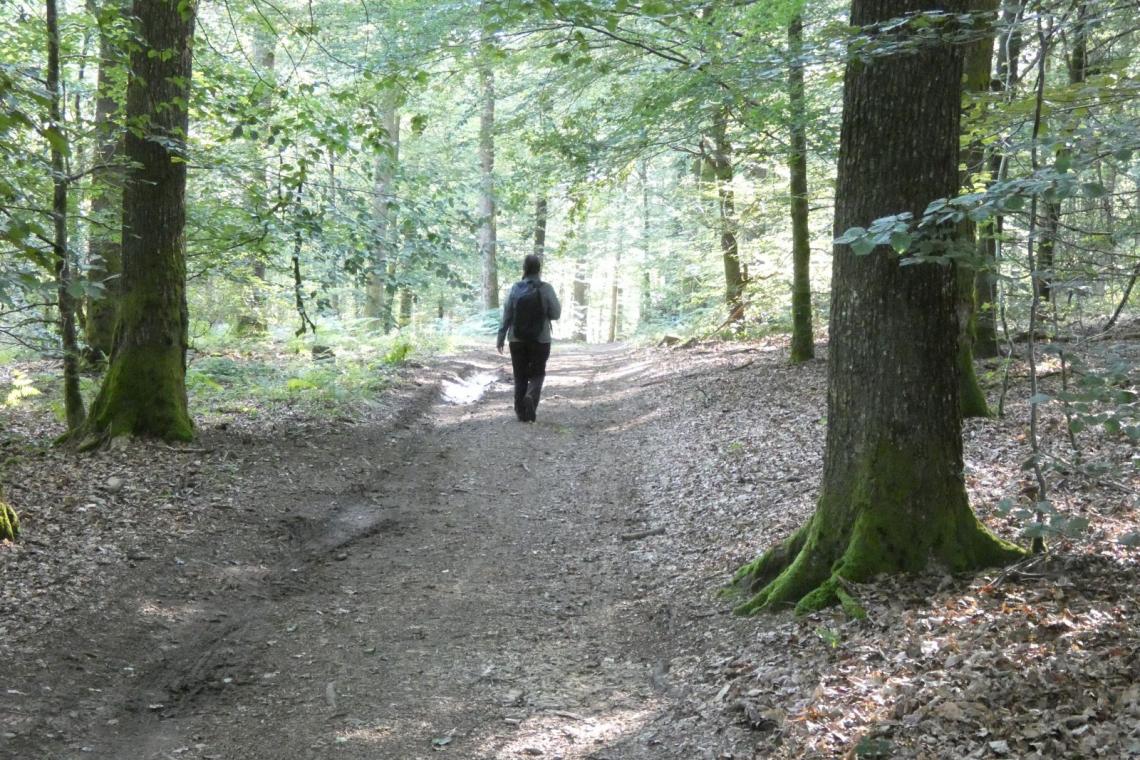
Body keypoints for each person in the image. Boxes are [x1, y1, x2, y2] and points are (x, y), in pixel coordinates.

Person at [497, 254, 561, 422]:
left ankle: (520, 412)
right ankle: (531, 396)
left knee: (520, 375)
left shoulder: (515, 288)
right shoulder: (546, 288)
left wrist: (501, 336)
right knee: (538, 373)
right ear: (539, 269)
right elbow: (556, 313)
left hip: (516, 339)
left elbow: (507, 314)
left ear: (524, 268)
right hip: (541, 339)